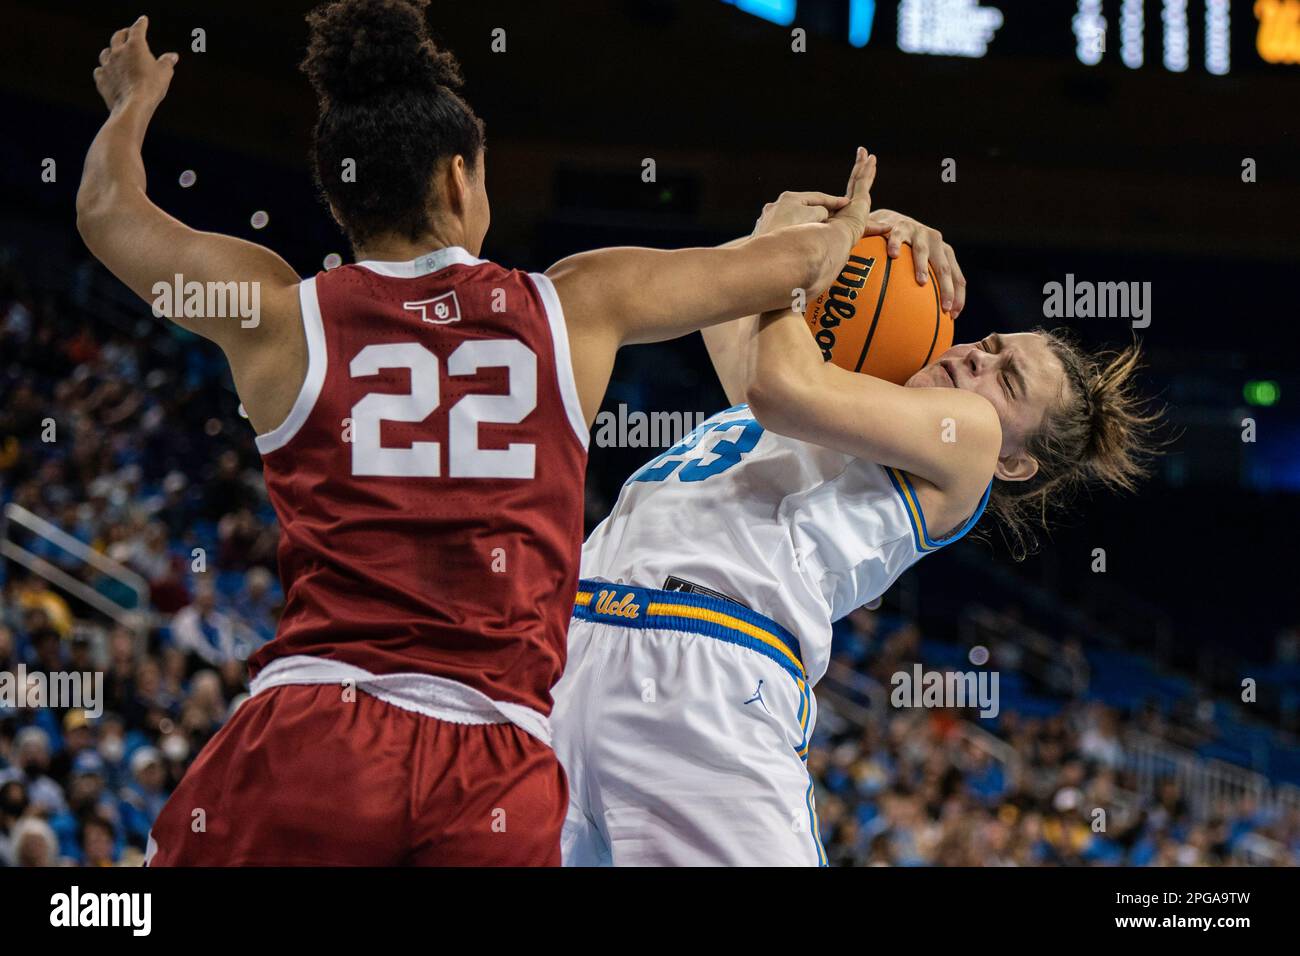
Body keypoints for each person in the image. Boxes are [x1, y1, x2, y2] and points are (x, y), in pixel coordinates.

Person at [75, 2, 875, 865]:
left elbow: (108, 213)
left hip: (318, 731)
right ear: (459, 180)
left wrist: (132, 106)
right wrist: (858, 217)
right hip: (495, 768)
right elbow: (801, 262)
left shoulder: (277, 314)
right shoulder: (579, 304)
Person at [553, 150, 1161, 865]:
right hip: (571, 646)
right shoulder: (818, 398)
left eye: (1008, 378)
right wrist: (837, 235)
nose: (978, 359)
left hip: (706, 673)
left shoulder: (970, 442)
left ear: (1015, 461)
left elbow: (778, 382)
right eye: (992, 344)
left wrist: (804, 256)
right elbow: (724, 308)